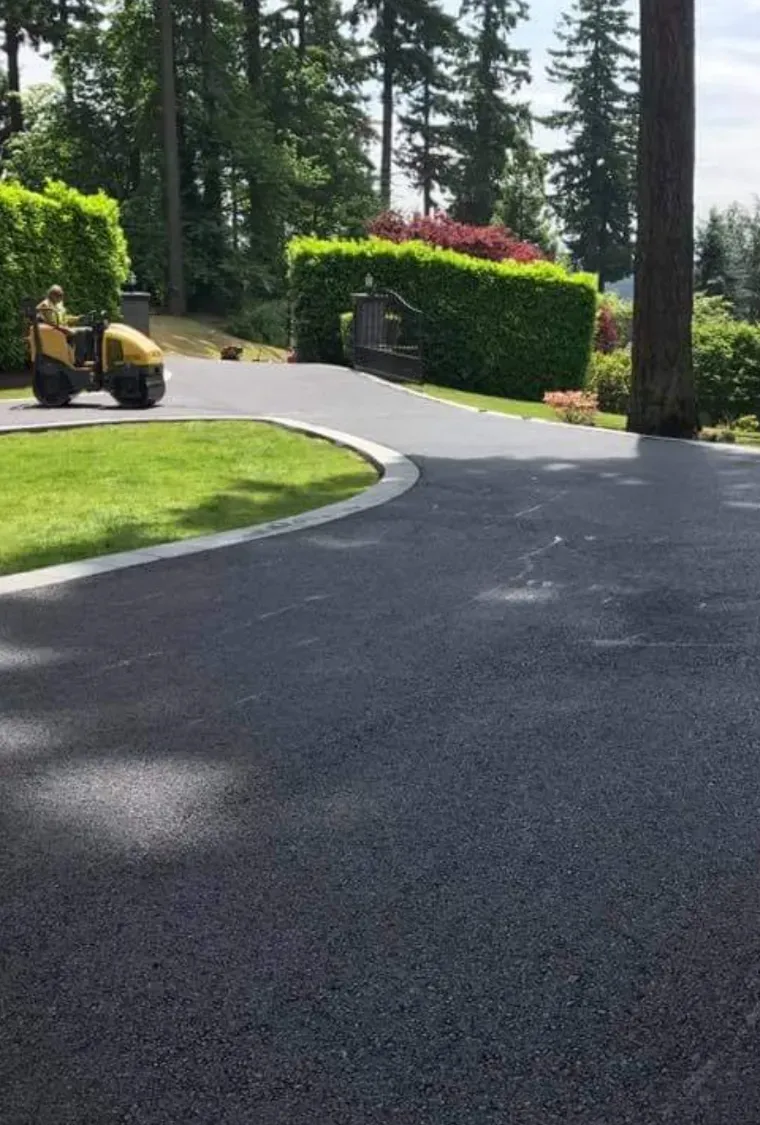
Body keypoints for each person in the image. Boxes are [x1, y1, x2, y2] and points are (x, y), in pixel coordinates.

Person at [36, 285, 90, 366]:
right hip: (55, 329)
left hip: (61, 327)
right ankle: (78, 361)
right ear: (52, 295)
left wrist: (77, 318)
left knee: (88, 330)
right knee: (79, 333)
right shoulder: (45, 305)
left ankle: (86, 357)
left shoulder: (58, 304)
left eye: (61, 295)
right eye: (59, 295)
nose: (61, 297)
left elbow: (65, 318)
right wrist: (65, 329)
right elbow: (52, 323)